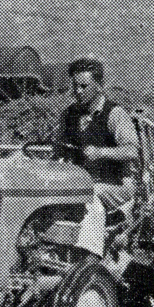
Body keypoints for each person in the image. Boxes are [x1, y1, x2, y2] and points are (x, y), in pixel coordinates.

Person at [56, 58, 140, 214]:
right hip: (80, 181)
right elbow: (59, 151)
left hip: (116, 185)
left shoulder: (115, 114)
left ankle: (90, 239)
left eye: (84, 86)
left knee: (88, 195)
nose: (78, 91)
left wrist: (100, 152)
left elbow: (132, 151)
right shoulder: (68, 115)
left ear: (99, 86)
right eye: (75, 86)